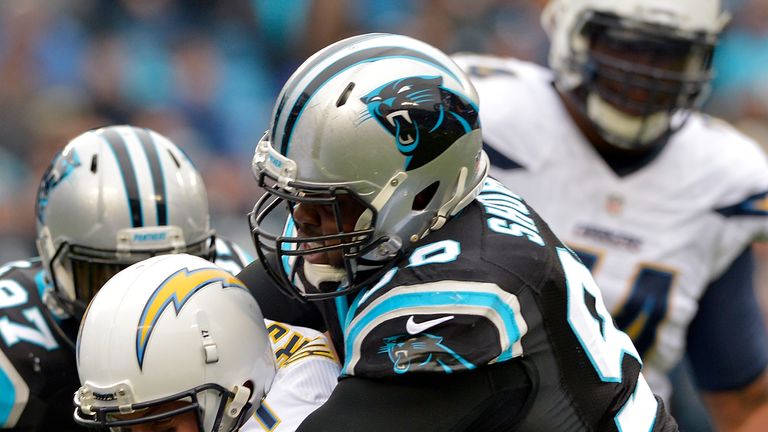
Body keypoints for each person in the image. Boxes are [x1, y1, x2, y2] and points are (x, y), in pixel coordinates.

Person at [242, 32, 678, 431]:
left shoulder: (461, 293)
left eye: (326, 203)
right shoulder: (398, 221)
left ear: (413, 191)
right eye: (300, 199)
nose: (302, 220)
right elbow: (223, 301)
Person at [450, 0, 768, 430]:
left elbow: (743, 401)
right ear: (569, 31)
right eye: (624, 47)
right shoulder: (480, 114)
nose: (645, 73)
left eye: (669, 54)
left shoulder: (723, 178)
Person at [0, 125, 252, 430]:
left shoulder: (234, 284)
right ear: (52, 258)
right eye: (109, 275)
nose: (144, 305)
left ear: (205, 254)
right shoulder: (14, 343)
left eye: (168, 269)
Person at [73, 253, 339, 432]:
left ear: (241, 393)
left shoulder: (300, 413)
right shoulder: (239, 340)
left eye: (163, 427)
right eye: (123, 427)